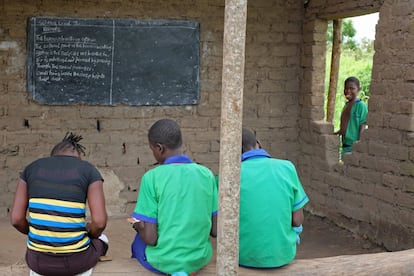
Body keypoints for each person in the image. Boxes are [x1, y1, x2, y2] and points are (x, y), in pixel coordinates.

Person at [10, 133, 108, 276]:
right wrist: (90, 234)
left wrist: (36, 232)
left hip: (38, 262)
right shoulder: (88, 170)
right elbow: (99, 223)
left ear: (53, 155)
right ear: (79, 154)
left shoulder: (31, 169)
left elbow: (16, 219)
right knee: (103, 240)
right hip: (77, 263)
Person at [130, 118, 218, 275]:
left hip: (164, 261)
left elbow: (151, 238)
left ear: (159, 148)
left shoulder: (152, 177)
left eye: (152, 149)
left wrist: (137, 225)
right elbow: (215, 230)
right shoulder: (206, 174)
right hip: (198, 259)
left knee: (138, 244)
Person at [239, 128, 309, 268]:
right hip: (282, 256)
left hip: (243, 257)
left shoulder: (227, 176)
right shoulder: (287, 167)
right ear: (258, 144)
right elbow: (297, 220)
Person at [334, 76, 368, 157]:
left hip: (353, 146)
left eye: (352, 88)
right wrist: (337, 133)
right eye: (346, 88)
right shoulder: (347, 105)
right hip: (345, 144)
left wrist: (359, 145)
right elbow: (347, 125)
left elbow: (362, 125)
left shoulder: (361, 106)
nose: (348, 91)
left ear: (358, 89)